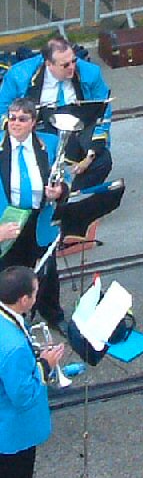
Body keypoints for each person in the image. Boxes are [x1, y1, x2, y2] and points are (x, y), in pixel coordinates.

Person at [0, 36, 112, 190]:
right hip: (38, 130)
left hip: (76, 130)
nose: (72, 67)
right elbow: (2, 109)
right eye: (65, 65)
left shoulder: (91, 73)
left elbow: (103, 112)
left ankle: (69, 196)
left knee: (103, 161)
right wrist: (23, 135)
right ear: (48, 64)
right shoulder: (19, 75)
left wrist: (91, 154)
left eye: (74, 61)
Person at [0, 266, 64, 478]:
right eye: (35, 293)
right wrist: (44, 365)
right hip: (12, 436)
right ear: (23, 300)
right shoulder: (13, 347)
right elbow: (23, 395)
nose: (37, 297)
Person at [0, 98, 67, 335]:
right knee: (9, 275)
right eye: (12, 118)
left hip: (40, 219)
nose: (15, 123)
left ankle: (52, 313)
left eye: (22, 119)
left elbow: (64, 177)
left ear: (34, 122)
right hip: (9, 221)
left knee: (46, 271)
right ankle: (12, 320)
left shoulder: (48, 143)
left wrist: (59, 192)